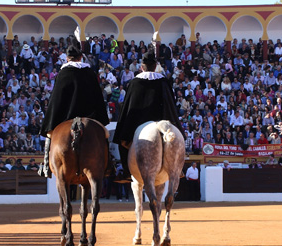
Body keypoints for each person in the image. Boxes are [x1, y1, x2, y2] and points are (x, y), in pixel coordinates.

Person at [38, 41, 109, 178]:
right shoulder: (89, 73)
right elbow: (97, 97)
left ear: (67, 58)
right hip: (89, 117)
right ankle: (108, 164)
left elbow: (57, 99)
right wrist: (99, 118)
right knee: (104, 135)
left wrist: (52, 120)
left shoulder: (63, 74)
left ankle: (46, 165)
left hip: (66, 117)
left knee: (49, 135)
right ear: (81, 57)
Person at [113, 50, 184, 182]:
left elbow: (128, 107)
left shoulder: (134, 82)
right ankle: (179, 169)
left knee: (122, 140)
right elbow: (170, 105)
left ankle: (126, 171)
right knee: (178, 138)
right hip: (161, 120)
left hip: (137, 123)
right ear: (155, 66)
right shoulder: (163, 81)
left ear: (142, 66)